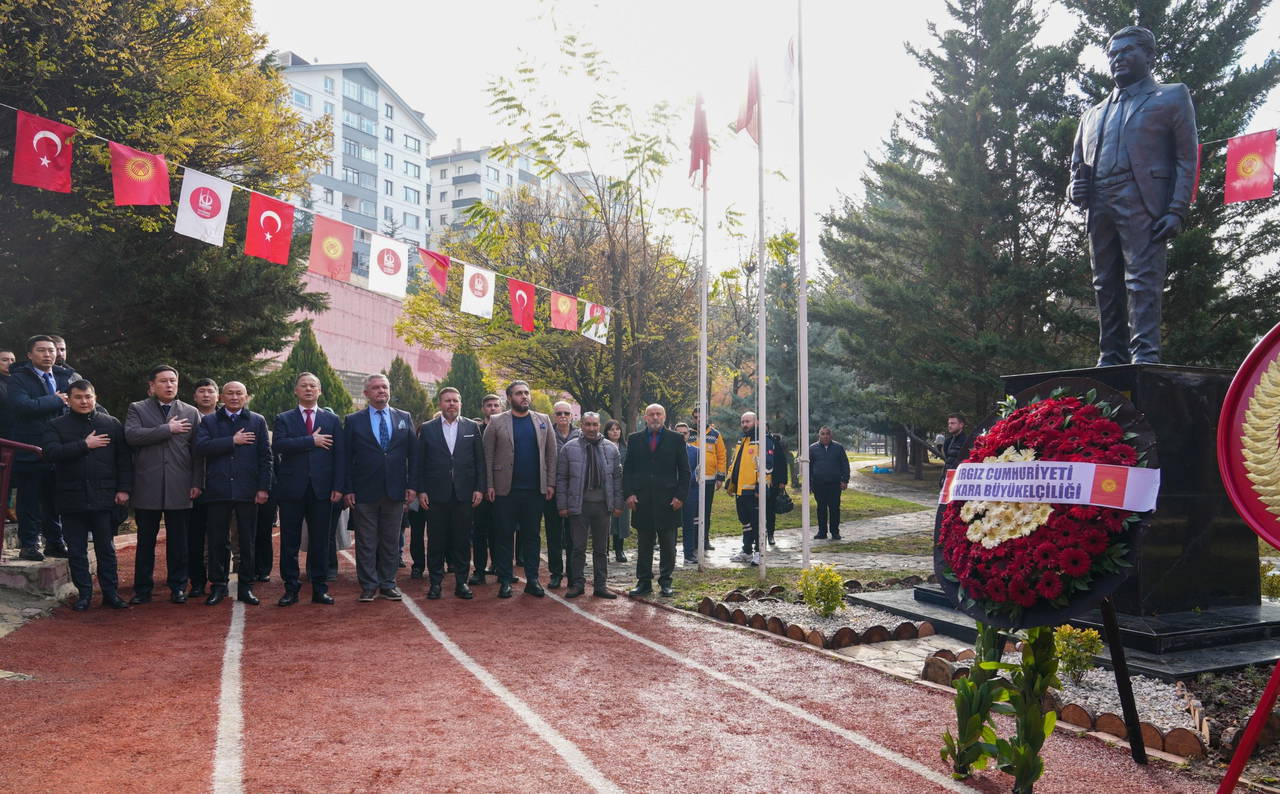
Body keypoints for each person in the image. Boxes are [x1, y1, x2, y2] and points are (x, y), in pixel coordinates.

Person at [1068, 25, 1198, 366]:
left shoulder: (1171, 96)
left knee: (1142, 279)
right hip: (1099, 202)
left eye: (1127, 51)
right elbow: (1077, 165)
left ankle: (1145, 356)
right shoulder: (1092, 114)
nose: (1118, 59)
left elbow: (1186, 157)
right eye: (1112, 54)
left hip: (1142, 198)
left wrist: (1177, 209)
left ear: (1149, 56)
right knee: (1104, 282)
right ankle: (1111, 355)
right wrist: (1073, 189)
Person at [41, 380, 131, 610]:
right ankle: (84, 595)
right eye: (78, 397)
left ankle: (111, 594)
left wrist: (124, 489)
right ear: (69, 400)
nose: (84, 401)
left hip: (104, 497)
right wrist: (85, 445)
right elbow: (50, 453)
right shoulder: (56, 425)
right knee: (77, 551)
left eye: (88, 396)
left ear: (95, 397)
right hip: (71, 498)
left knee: (106, 550)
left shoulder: (111, 423)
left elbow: (123, 459)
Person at [125, 364, 203, 602]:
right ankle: (142, 589)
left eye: (172, 381)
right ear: (152, 385)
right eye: (163, 381)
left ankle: (178, 586)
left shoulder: (191, 412)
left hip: (180, 484)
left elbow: (198, 452)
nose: (169, 385)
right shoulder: (137, 408)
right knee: (145, 541)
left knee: (179, 542)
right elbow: (132, 436)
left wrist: (197, 481)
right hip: (147, 484)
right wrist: (167, 429)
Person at [196, 381, 272, 606]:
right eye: (230, 393)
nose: (235, 397)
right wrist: (232, 441)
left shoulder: (257, 421)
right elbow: (201, 448)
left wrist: (263, 487)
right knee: (217, 541)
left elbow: (265, 457)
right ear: (222, 397)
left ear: (246, 397)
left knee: (247, 540)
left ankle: (246, 586)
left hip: (248, 490)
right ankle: (218, 586)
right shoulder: (209, 421)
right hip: (217, 490)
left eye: (239, 393)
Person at [343, 374, 417, 603]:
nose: (381, 391)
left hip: (395, 491)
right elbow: (346, 458)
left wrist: (412, 485)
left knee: (391, 541)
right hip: (364, 491)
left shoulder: (404, 417)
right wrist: (348, 489)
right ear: (366, 393)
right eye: (376, 388)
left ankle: (387, 584)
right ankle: (368, 586)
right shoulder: (353, 420)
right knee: (366, 542)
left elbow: (414, 456)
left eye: (384, 387)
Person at [272, 372, 344, 606]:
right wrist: (310, 441)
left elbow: (339, 456)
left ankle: (320, 588)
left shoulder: (332, 420)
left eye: (313, 385)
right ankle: (291, 588)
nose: (308, 389)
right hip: (292, 490)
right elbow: (279, 445)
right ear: (296, 390)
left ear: (320, 391)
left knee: (321, 542)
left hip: (322, 490)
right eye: (304, 385)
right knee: (289, 543)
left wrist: (338, 486)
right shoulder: (284, 418)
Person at [482, 380, 557, 599]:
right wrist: (489, 484)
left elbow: (551, 454)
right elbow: (487, 455)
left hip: (535, 491)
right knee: (504, 536)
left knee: (532, 537)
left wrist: (550, 483)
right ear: (509, 398)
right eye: (519, 393)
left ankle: (532, 580)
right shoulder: (496, 421)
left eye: (526, 393)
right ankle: (505, 580)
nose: (524, 396)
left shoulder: (543, 420)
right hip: (505, 491)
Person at [414, 386, 485, 600]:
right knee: (436, 540)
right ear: (440, 404)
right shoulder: (428, 428)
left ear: (460, 403)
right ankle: (435, 583)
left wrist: (479, 488)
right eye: (447, 400)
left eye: (455, 400)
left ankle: (461, 582)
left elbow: (480, 462)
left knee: (462, 541)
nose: (451, 404)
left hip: (464, 494)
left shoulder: (472, 427)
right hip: (436, 495)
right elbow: (419, 463)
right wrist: (421, 490)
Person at [7, 335, 71, 561]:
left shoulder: (64, 376)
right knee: (30, 501)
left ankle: (55, 543)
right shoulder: (18, 379)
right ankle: (29, 545)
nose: (48, 355)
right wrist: (56, 400)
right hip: (30, 448)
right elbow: (22, 406)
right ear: (29, 355)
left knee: (53, 500)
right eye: (41, 350)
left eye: (51, 350)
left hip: (57, 448)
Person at [623, 404, 690, 598]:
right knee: (644, 545)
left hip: (669, 502)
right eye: (651, 414)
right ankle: (644, 582)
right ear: (645, 417)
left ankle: (666, 581)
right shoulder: (634, 439)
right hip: (642, 501)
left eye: (658, 414)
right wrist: (629, 494)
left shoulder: (676, 439)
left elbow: (684, 471)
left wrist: (680, 496)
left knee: (668, 546)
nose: (654, 417)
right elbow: (628, 470)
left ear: (664, 416)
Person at [556, 412, 622, 598]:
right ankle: (577, 584)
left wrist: (618, 503)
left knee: (601, 549)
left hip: (603, 506)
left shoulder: (611, 449)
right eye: (587, 424)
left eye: (595, 424)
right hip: (579, 506)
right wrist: (562, 505)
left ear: (599, 425)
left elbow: (617, 479)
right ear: (581, 425)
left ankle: (600, 585)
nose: (591, 428)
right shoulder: (569, 449)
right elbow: (562, 479)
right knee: (578, 548)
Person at [725, 411, 778, 566]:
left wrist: (761, 487)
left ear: (757, 422)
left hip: (754, 490)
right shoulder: (742, 440)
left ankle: (759, 552)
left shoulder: (764, 440)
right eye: (743, 422)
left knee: (757, 523)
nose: (745, 424)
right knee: (745, 522)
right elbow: (735, 462)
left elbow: (768, 466)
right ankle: (747, 551)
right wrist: (730, 482)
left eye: (748, 421)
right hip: (740, 489)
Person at [186, 378, 219, 597]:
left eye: (210, 391)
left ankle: (219, 579)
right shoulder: (187, 417)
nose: (206, 395)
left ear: (218, 395)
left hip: (222, 486)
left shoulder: (226, 418)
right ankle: (197, 581)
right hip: (193, 486)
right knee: (194, 537)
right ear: (195, 396)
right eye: (201, 391)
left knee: (220, 537)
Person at [467, 393, 504, 585]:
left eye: (496, 405)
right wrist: (479, 487)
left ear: (501, 408)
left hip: (503, 490)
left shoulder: (508, 429)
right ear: (483, 409)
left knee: (502, 532)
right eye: (489, 405)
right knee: (480, 532)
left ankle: (500, 567)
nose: (493, 408)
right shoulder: (475, 430)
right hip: (481, 489)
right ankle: (479, 570)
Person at [543, 400, 579, 588]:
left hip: (575, 493)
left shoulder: (580, 435)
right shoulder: (546, 434)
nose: (563, 416)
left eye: (566, 413)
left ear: (572, 415)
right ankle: (556, 573)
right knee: (554, 534)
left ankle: (573, 573)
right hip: (553, 491)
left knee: (573, 534)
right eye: (559, 413)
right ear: (554, 416)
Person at [690, 406, 726, 551]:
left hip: (709, 480)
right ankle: (693, 540)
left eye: (702, 416)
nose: (699, 419)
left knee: (706, 511)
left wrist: (720, 477)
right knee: (693, 511)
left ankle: (704, 540)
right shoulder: (689, 434)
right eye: (696, 417)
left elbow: (721, 456)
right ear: (693, 418)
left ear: (707, 417)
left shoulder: (715, 434)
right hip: (692, 480)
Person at [810, 426, 851, 540]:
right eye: (823, 434)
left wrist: (845, 480)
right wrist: (809, 483)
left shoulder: (838, 448)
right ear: (819, 435)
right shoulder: (812, 448)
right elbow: (809, 467)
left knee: (834, 508)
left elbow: (845, 465)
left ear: (831, 435)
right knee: (821, 508)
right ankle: (822, 532)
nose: (825, 436)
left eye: (827, 434)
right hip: (819, 484)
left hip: (834, 484)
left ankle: (835, 532)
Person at [674, 422, 703, 564]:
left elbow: (698, 472)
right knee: (671, 525)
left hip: (690, 492)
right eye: (678, 433)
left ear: (689, 434)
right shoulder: (668, 450)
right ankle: (670, 552)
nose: (682, 436)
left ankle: (689, 553)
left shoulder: (696, 452)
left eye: (684, 433)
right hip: (672, 493)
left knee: (689, 524)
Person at [603, 419, 630, 563]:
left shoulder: (626, 449)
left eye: (617, 429)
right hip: (605, 488)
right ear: (606, 432)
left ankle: (619, 550)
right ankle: (604, 550)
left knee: (621, 520)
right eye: (612, 429)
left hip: (622, 488)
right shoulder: (601, 446)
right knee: (605, 520)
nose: (615, 432)